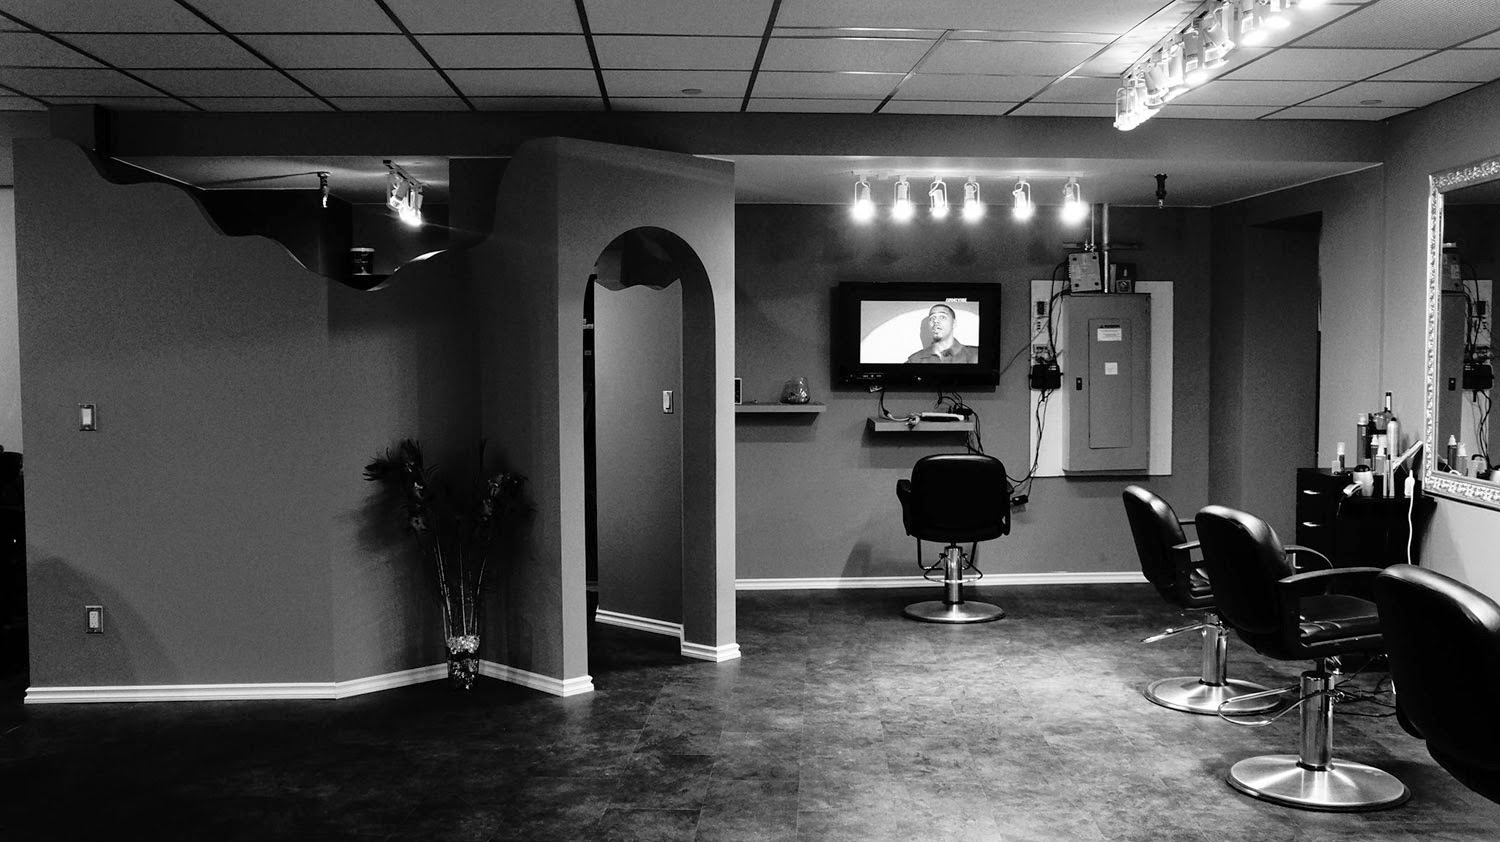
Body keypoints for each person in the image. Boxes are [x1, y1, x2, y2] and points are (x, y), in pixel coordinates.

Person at [905, 303, 978, 364]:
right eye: (932, 318)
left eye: (942, 317)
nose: (935, 321)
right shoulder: (914, 360)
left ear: (954, 323)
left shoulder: (976, 355)